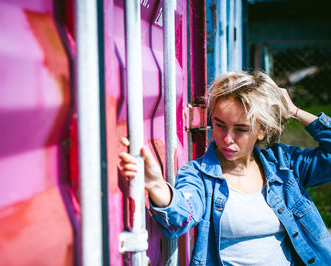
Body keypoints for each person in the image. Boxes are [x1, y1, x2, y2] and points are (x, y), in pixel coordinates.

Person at [118, 71, 331, 265]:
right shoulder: (199, 175)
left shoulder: (284, 165)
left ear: (262, 131)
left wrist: (294, 111)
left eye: (241, 129)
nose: (227, 139)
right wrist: (156, 186)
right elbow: (180, 218)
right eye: (220, 125)